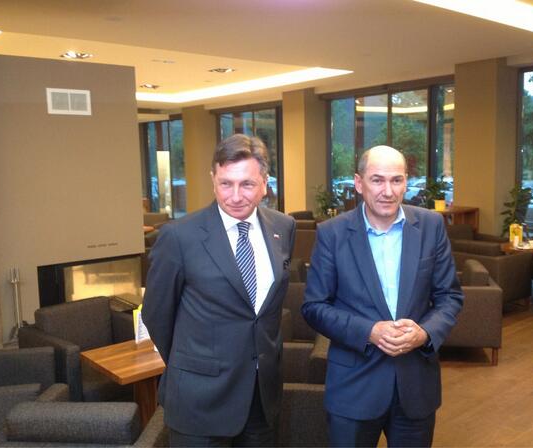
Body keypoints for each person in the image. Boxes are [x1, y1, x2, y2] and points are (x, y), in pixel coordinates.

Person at [302, 145, 463, 447]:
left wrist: (424, 333)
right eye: (377, 180)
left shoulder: (431, 226)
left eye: (396, 180)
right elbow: (314, 307)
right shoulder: (332, 233)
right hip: (353, 388)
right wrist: (369, 331)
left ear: (406, 182)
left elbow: (449, 297)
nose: (388, 191)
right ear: (359, 183)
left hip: (415, 386)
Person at [142, 133, 295, 447]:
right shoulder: (178, 237)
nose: (235, 196)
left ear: (265, 184)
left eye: (247, 184)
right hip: (199, 401)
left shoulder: (283, 227)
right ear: (213, 180)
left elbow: (267, 312)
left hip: (261, 397)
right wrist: (193, 364)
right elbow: (157, 315)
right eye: (226, 183)